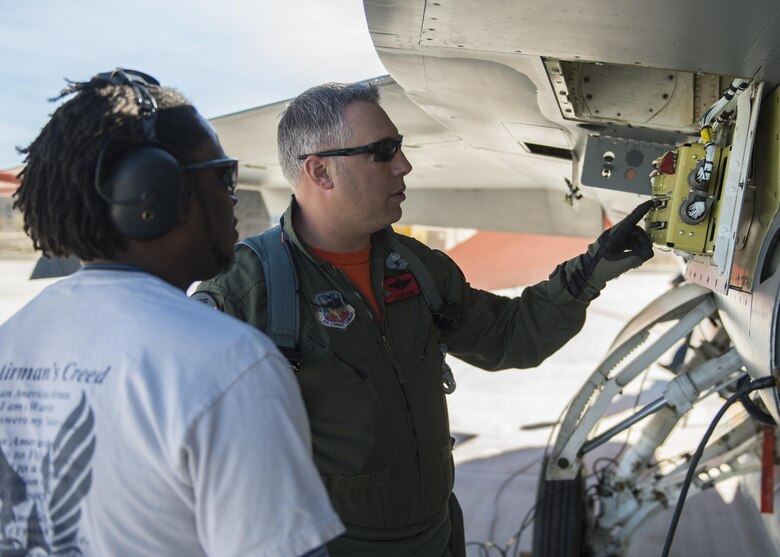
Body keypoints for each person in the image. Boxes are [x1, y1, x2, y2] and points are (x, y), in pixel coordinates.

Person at [195, 81, 654, 556]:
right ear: (321, 171)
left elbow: (507, 337)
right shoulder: (246, 290)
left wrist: (586, 276)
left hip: (437, 537)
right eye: (383, 151)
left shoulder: (417, 268)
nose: (404, 164)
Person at [2, 69, 343, 557]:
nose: (232, 198)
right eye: (222, 176)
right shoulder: (229, 364)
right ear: (152, 194)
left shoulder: (9, 341)